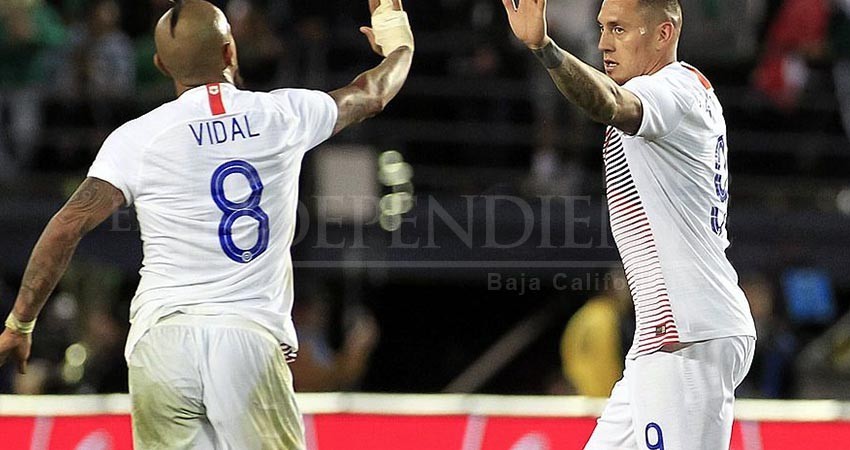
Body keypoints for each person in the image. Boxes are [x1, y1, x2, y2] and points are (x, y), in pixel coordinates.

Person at [0, 0, 413, 448]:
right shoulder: (282, 115)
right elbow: (371, 93)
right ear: (230, 51)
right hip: (246, 337)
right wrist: (398, 44)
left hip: (161, 340)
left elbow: (67, 226)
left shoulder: (136, 138)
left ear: (160, 65)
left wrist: (20, 324)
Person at [502, 0, 757, 448]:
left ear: (663, 33)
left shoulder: (672, 88)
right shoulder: (683, 91)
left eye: (618, 30)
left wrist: (545, 48)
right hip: (663, 336)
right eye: (601, 28)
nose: (602, 43)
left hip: (688, 333)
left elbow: (609, 102)